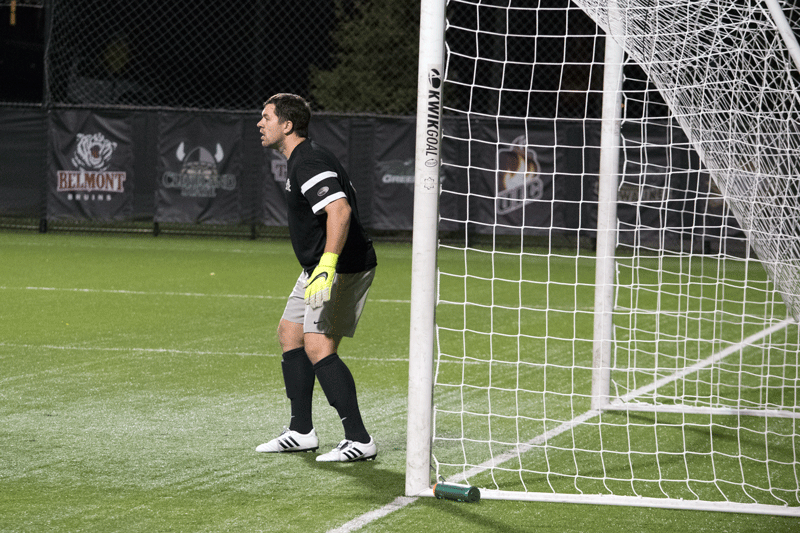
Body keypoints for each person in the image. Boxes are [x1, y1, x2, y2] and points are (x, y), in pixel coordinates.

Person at [255, 93, 378, 462]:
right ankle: (301, 431)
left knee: (318, 347)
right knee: (289, 334)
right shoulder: (300, 160)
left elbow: (338, 211)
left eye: (266, 117)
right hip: (319, 267)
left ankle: (359, 439)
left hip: (341, 265)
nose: (260, 124)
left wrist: (327, 264)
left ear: (287, 125)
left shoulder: (308, 160)